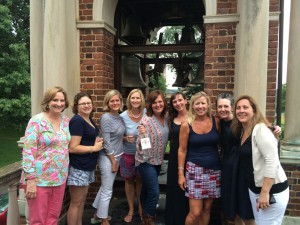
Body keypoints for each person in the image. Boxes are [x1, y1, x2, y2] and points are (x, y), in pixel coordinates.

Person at [231, 95, 289, 225]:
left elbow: (272, 161)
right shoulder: (243, 130)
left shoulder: (260, 129)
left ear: (254, 111)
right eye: (238, 108)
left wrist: (265, 193)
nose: (241, 110)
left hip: (272, 191)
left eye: (245, 107)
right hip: (255, 189)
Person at [21, 86, 70, 225]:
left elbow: (65, 146)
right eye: (55, 100)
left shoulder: (66, 121)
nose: (59, 103)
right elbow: (28, 151)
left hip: (60, 178)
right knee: (38, 221)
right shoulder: (36, 121)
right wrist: (30, 180)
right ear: (48, 101)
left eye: (62, 100)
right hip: (39, 180)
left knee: (53, 218)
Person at [178, 91, 221, 225]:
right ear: (192, 106)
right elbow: (182, 150)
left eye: (203, 103)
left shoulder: (216, 121)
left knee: (207, 209)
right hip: (194, 170)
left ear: (208, 105)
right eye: (197, 104)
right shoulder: (187, 124)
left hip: (214, 170)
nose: (200, 106)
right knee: (195, 212)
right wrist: (181, 174)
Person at [67, 92, 104, 225]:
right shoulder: (77, 121)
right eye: (83, 103)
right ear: (76, 106)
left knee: (81, 201)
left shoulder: (88, 119)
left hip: (87, 166)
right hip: (78, 166)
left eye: (88, 103)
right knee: (76, 202)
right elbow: (72, 147)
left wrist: (95, 142)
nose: (86, 105)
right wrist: (93, 148)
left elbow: (86, 139)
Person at [92, 89, 126, 225]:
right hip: (108, 157)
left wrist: (125, 138)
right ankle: (103, 219)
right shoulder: (106, 118)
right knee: (107, 190)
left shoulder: (120, 117)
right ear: (107, 103)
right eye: (112, 101)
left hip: (117, 156)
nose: (115, 103)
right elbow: (106, 142)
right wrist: (113, 161)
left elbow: (115, 136)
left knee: (105, 186)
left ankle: (96, 211)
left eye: (117, 100)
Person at [136, 90, 169, 225]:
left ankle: (143, 215)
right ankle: (149, 219)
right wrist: (143, 135)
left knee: (146, 190)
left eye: (160, 101)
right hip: (146, 161)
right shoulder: (146, 120)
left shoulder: (167, 117)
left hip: (158, 160)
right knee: (154, 192)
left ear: (164, 102)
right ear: (150, 104)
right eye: (154, 102)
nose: (158, 104)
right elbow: (143, 145)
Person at [120, 89, 146, 222]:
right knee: (129, 181)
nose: (135, 100)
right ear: (129, 100)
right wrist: (124, 138)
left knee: (141, 181)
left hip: (143, 154)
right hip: (128, 153)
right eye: (133, 98)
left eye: (138, 98)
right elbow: (118, 134)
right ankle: (131, 209)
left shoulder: (147, 113)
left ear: (142, 100)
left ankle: (141, 208)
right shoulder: (123, 116)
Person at [165, 92, 189, 225]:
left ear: (185, 100)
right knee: (175, 189)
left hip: (190, 156)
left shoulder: (193, 117)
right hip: (175, 158)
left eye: (180, 100)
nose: (178, 103)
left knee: (187, 190)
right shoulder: (170, 118)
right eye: (174, 102)